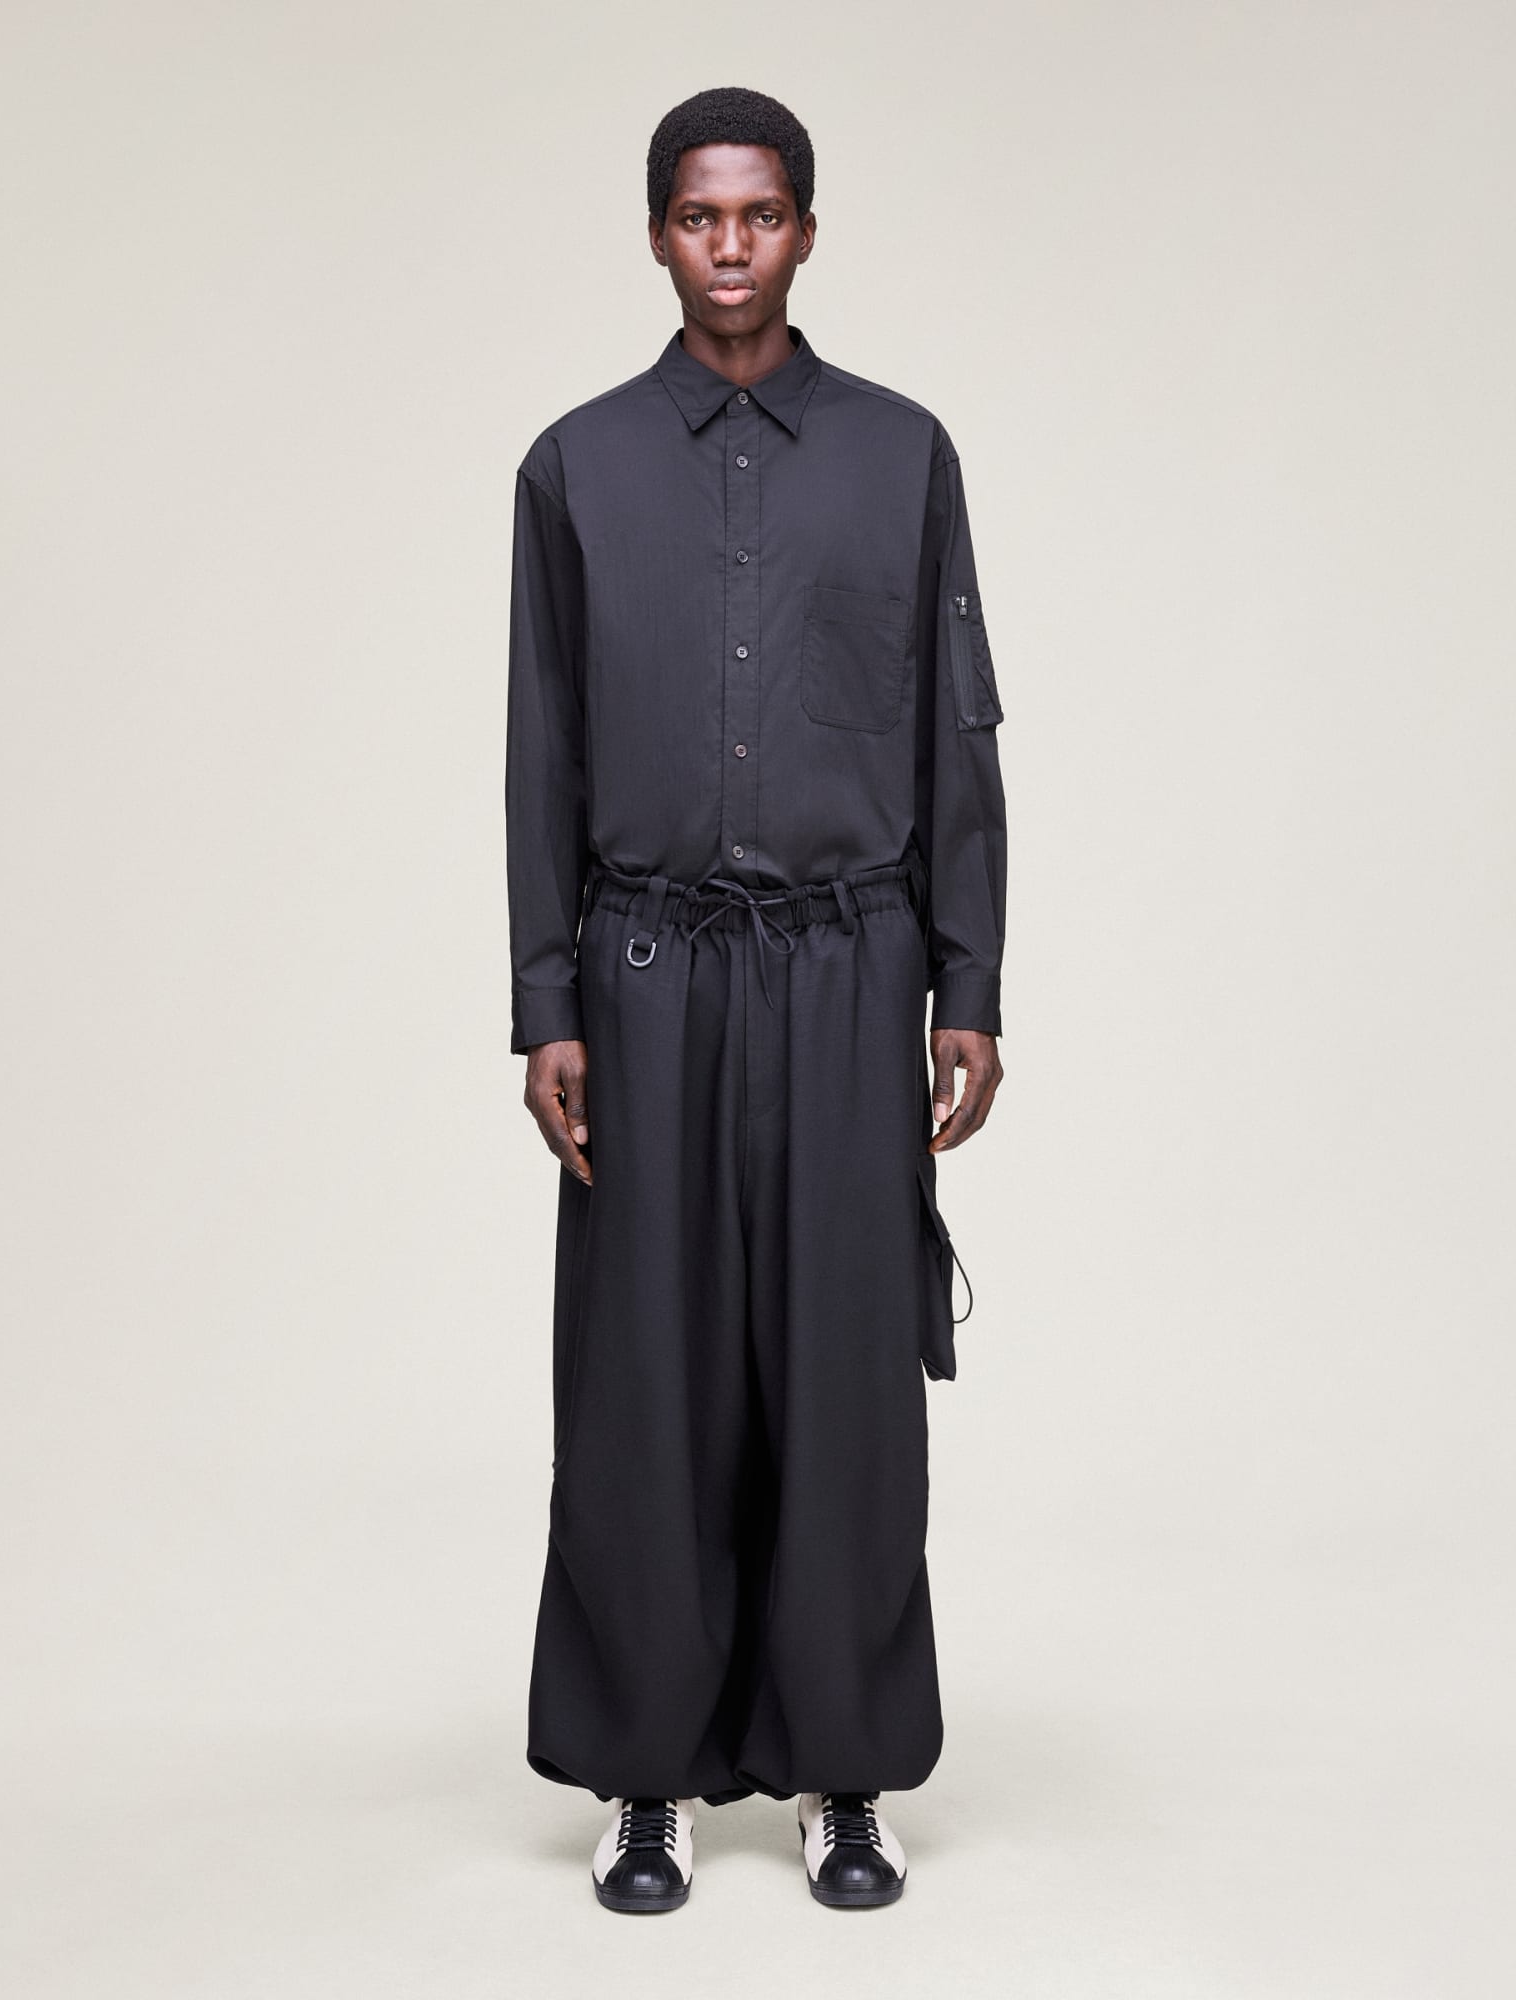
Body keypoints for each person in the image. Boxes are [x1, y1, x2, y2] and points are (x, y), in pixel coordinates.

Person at [503, 84, 1009, 1913]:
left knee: (847, 1382)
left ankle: (840, 1773)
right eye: (699, 216)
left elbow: (956, 733)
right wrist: (546, 1001)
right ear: (657, 233)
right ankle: (647, 1779)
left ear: (805, 229)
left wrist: (968, 979)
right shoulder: (574, 466)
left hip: (850, 970)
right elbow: (541, 747)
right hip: (644, 977)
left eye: (763, 213)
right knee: (644, 1387)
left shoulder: (902, 454)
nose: (731, 246)